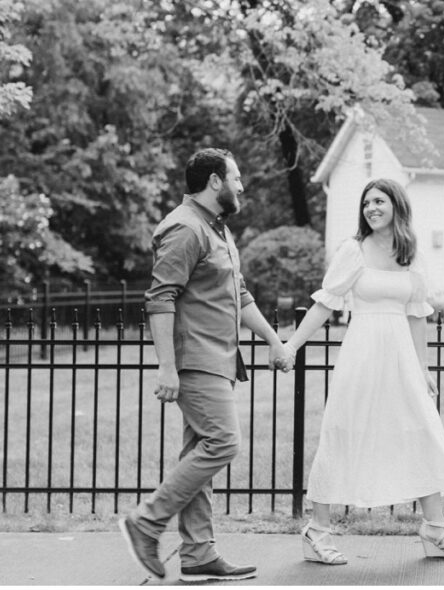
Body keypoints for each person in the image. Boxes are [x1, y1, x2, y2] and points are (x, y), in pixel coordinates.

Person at [119, 148, 294, 582]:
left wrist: (275, 341)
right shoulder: (184, 227)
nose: (241, 186)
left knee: (200, 450)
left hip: (218, 359)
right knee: (224, 443)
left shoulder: (218, 231)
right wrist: (166, 368)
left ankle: (197, 554)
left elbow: (242, 296)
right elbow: (160, 299)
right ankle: (147, 521)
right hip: (194, 359)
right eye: (236, 178)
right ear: (215, 181)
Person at [283, 178, 444, 564]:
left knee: (421, 430)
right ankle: (317, 532)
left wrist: (424, 368)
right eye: (367, 202)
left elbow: (417, 314)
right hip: (363, 353)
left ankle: (435, 529)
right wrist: (290, 345)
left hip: (401, 357)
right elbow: (324, 304)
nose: (372, 208)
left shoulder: (410, 253)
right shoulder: (353, 250)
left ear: (396, 206)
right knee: (343, 431)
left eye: (379, 201)